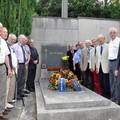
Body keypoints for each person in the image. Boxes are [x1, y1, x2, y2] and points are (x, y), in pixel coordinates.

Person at [0, 24, 12, 120]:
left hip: (2, 67)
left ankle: (0, 112)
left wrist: (9, 68)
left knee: (2, 90)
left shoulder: (3, 42)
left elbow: (6, 56)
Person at [13, 34, 28, 100]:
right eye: (24, 39)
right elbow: (14, 56)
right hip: (18, 64)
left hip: (23, 64)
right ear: (20, 39)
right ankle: (17, 94)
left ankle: (21, 92)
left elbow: (25, 54)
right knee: (18, 79)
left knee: (23, 79)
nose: (25, 40)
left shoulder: (23, 46)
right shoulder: (15, 46)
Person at [96, 34, 110, 98]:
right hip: (99, 67)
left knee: (106, 82)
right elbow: (97, 58)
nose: (100, 40)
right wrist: (97, 67)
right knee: (101, 81)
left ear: (104, 39)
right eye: (99, 39)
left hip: (106, 67)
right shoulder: (97, 47)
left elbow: (109, 57)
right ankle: (103, 94)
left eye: (101, 38)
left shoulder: (108, 46)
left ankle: (108, 95)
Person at [108, 27, 120, 102]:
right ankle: (113, 97)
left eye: (114, 32)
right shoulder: (110, 42)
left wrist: (117, 67)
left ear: (116, 33)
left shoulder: (119, 41)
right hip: (110, 62)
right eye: (111, 33)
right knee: (111, 81)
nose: (112, 34)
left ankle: (117, 98)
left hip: (116, 62)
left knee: (117, 82)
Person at [7, 33, 18, 103]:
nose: (14, 41)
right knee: (8, 86)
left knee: (12, 85)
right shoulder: (7, 46)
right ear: (9, 38)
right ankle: (7, 101)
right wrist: (11, 67)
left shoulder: (11, 47)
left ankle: (10, 99)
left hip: (14, 68)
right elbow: (8, 58)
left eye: (14, 40)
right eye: (13, 39)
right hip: (10, 68)